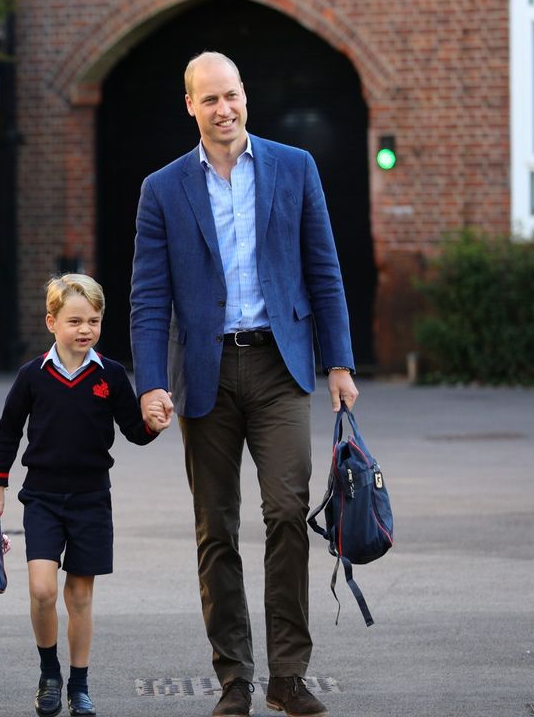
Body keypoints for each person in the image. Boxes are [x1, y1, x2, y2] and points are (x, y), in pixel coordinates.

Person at [129, 52, 360, 717]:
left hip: (280, 365)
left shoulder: (295, 167)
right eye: (209, 100)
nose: (223, 110)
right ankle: (234, 677)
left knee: (287, 512)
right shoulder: (162, 189)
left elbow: (325, 269)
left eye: (231, 96)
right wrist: (149, 384)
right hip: (203, 374)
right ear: (190, 107)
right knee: (215, 529)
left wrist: (339, 363)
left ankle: (288, 674)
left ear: (245, 97)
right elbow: (149, 299)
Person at [0, 273, 169, 717]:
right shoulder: (32, 376)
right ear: (52, 322)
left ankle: (79, 686)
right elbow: (8, 431)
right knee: (43, 589)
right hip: (42, 498)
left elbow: (132, 430)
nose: (85, 330)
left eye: (94, 321)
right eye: (75, 320)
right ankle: (50, 673)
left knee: (80, 597)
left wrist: (152, 426)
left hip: (91, 500)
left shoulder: (112, 375)